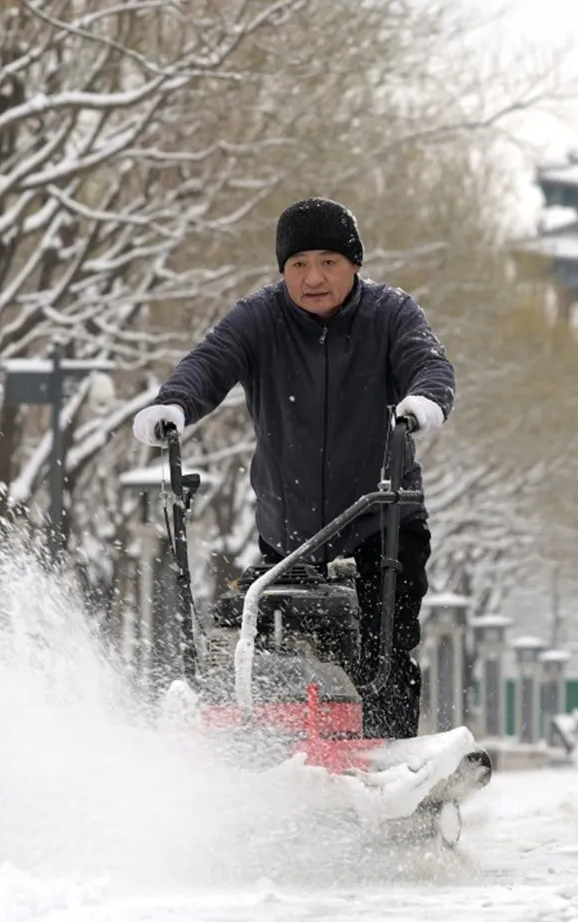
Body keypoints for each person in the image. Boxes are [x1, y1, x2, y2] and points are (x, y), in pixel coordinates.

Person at [130, 197, 456, 741]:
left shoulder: (392, 314)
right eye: (298, 264)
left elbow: (429, 363)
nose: (313, 278)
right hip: (292, 532)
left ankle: (386, 759)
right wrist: (174, 405)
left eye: (329, 261)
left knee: (382, 652)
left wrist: (424, 402)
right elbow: (210, 362)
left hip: (382, 523)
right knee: (274, 645)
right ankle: (283, 753)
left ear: (354, 264)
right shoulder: (259, 318)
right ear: (282, 270)